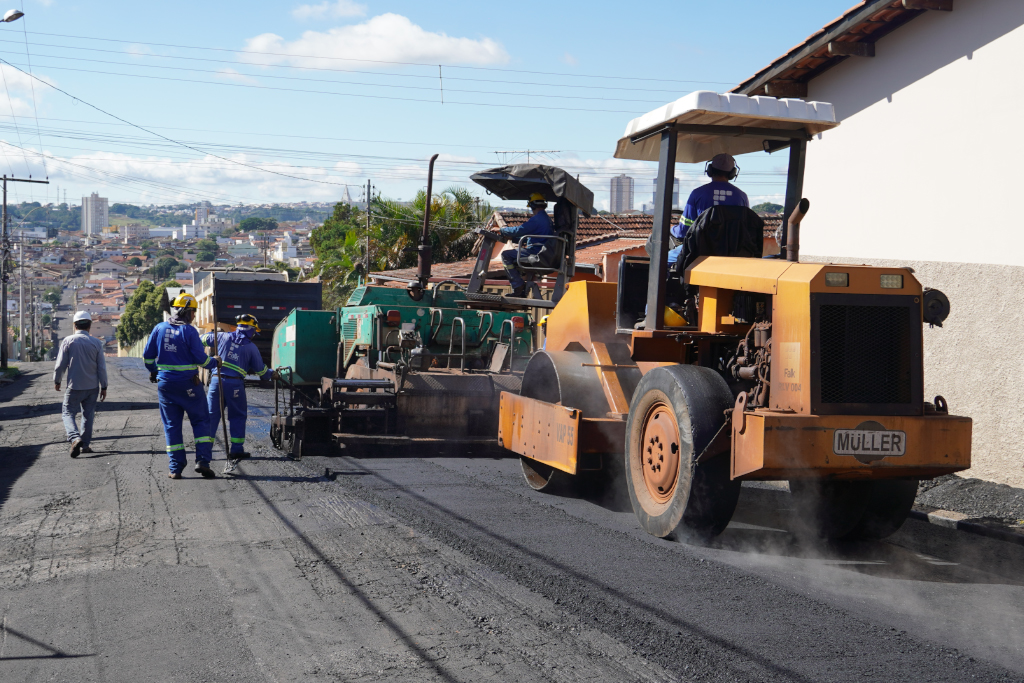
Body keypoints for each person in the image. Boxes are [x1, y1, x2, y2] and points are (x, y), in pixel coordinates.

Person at [143, 292, 218, 479]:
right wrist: (215, 362)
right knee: (201, 421)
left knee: (171, 425)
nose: (194, 316)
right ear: (186, 311)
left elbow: (148, 357)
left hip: (166, 385)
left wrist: (154, 371)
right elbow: (201, 359)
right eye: (193, 312)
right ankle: (202, 461)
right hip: (189, 385)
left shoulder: (159, 328)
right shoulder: (189, 331)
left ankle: (175, 468)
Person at [201, 314, 272, 459]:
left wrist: (205, 358)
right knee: (237, 416)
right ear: (251, 330)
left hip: (216, 382)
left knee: (211, 416)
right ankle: (236, 450)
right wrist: (272, 374)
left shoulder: (221, 336)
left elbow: (200, 339)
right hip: (235, 385)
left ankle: (204, 451)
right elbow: (261, 372)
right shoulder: (251, 348)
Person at [668, 153, 750, 266]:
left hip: (699, 250)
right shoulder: (742, 196)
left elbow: (683, 231)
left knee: (662, 259)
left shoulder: (697, 194)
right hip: (732, 252)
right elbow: (745, 229)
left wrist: (671, 229)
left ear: (710, 170)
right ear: (733, 173)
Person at [53, 310, 107, 458]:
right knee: (88, 415)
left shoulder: (68, 341)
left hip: (74, 386)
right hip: (92, 387)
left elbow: (60, 365)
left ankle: (75, 437)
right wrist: (104, 386)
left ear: (74, 325)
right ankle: (85, 445)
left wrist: (57, 380)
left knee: (67, 412)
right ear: (89, 326)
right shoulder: (96, 343)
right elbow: (101, 367)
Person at [498, 192, 555, 298]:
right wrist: (513, 239)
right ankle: (520, 289)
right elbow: (531, 237)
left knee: (506, 255)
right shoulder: (546, 219)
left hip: (535, 252)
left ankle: (517, 285)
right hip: (541, 251)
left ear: (532, 205)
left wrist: (501, 230)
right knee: (514, 257)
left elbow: (519, 230)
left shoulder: (537, 219)